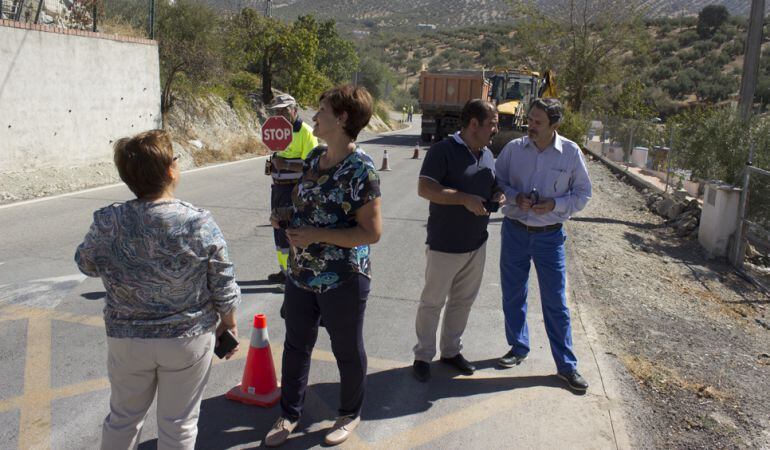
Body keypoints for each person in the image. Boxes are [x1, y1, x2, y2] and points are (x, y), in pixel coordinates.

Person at [74, 130, 241, 449]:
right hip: (187, 339)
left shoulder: (109, 221)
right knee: (179, 425)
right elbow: (223, 281)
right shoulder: (197, 222)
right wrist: (229, 322)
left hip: (127, 338)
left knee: (123, 419)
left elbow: (86, 263)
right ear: (170, 171)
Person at [264, 85, 382, 447]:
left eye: (322, 110)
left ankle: (349, 413)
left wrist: (316, 234)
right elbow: (308, 207)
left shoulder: (362, 170)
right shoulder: (315, 158)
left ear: (343, 118)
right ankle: (289, 414)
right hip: (301, 273)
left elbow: (371, 233)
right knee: (296, 345)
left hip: (343, 277)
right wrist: (284, 217)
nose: (314, 117)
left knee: (346, 348)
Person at [494, 98, 592, 391]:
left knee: (555, 302)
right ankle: (518, 347)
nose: (530, 126)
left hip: (549, 236)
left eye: (538, 122)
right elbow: (497, 181)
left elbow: (584, 194)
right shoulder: (513, 149)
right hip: (514, 232)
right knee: (513, 294)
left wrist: (555, 204)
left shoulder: (571, 153)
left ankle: (566, 366)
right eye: (531, 120)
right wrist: (514, 197)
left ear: (554, 125)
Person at [412, 99, 502, 382]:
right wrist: (463, 199)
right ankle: (423, 355)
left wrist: (498, 194)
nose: (495, 130)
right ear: (473, 124)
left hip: (477, 244)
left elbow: (493, 183)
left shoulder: (487, 154)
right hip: (444, 244)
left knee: (462, 302)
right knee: (432, 302)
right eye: (492, 124)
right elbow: (425, 188)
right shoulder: (443, 150)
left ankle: (450, 351)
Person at [266, 94, 318, 287]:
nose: (280, 114)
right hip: (277, 189)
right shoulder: (274, 130)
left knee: (292, 233)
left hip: (295, 192)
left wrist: (286, 164)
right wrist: (270, 167)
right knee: (278, 231)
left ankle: (295, 275)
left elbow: (312, 167)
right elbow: (272, 157)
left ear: (294, 110)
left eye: (285, 110)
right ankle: (284, 272)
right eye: (277, 111)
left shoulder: (306, 133)